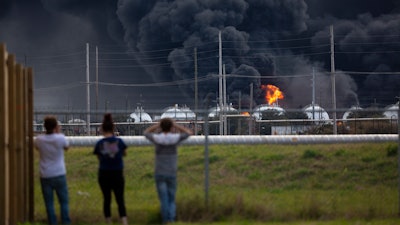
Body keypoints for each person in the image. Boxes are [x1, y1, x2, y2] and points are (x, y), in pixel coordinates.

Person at [144, 118, 192, 224]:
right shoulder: (175, 138)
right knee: (171, 198)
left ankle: (165, 220)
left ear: (162, 127)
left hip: (159, 172)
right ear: (171, 127)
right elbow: (188, 133)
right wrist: (175, 125)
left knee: (163, 199)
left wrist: (157, 125)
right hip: (171, 172)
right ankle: (171, 218)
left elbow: (146, 133)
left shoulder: (157, 138)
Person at [35, 116, 71, 225]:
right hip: (59, 173)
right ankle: (65, 222)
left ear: (44, 126)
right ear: (56, 126)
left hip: (45, 174)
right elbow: (66, 148)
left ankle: (52, 222)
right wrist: (58, 132)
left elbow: (37, 148)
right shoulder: (60, 138)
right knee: (63, 201)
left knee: (49, 203)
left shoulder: (39, 140)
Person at [93, 113, 128, 225]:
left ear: (102, 129)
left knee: (107, 199)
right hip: (117, 173)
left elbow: (98, 156)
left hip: (104, 173)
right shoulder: (119, 142)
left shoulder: (99, 143)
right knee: (120, 199)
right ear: (113, 128)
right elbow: (124, 153)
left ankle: (108, 221)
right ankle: (124, 220)